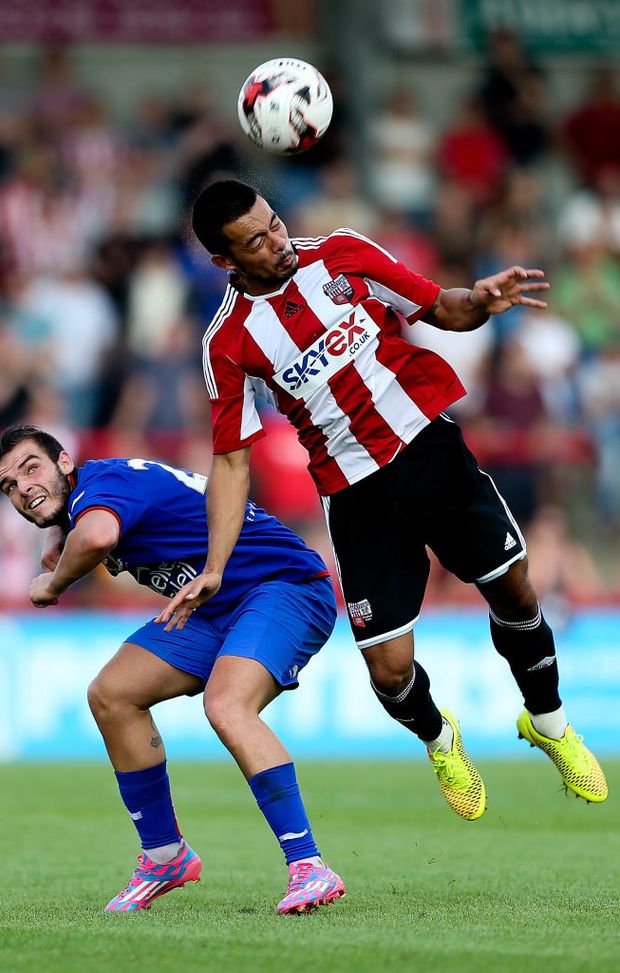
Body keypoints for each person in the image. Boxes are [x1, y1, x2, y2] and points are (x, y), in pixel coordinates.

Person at [160, 178, 608, 820]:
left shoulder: (341, 253)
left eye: (276, 223)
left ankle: (552, 724)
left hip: (429, 449)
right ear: (225, 261)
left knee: (516, 589)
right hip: (355, 494)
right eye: (256, 241)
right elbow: (231, 460)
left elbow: (442, 308)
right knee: (390, 673)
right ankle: (440, 738)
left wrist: (480, 300)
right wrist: (213, 566)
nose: (277, 242)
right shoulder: (227, 342)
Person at [0, 423, 345, 915]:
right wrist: (62, 536)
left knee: (227, 705)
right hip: (212, 604)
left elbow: (98, 536)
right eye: (9, 486)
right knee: (113, 694)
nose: (22, 488)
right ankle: (165, 855)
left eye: (30, 468)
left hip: (282, 585)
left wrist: (54, 583)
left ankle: (308, 865)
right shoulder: (93, 494)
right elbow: (93, 528)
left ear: (65, 463)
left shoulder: (103, 489)